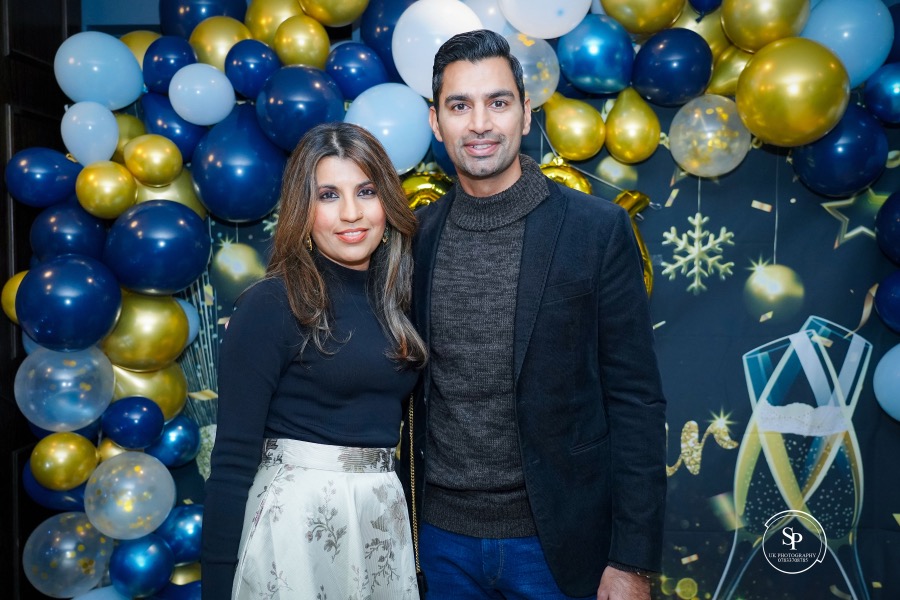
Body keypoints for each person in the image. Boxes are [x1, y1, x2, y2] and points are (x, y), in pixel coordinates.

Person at [399, 29, 667, 600]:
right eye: (459, 106)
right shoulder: (413, 239)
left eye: (497, 102)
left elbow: (636, 402)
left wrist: (632, 561)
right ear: (435, 123)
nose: (480, 123)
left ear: (525, 113)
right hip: (440, 545)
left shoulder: (597, 231)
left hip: (560, 546)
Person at [201, 122, 427, 600]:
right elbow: (232, 460)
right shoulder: (271, 304)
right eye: (328, 195)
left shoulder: (399, 298)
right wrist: (217, 587)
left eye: (366, 191)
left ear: (387, 200)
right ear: (303, 210)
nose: (351, 213)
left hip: (380, 515)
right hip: (296, 525)